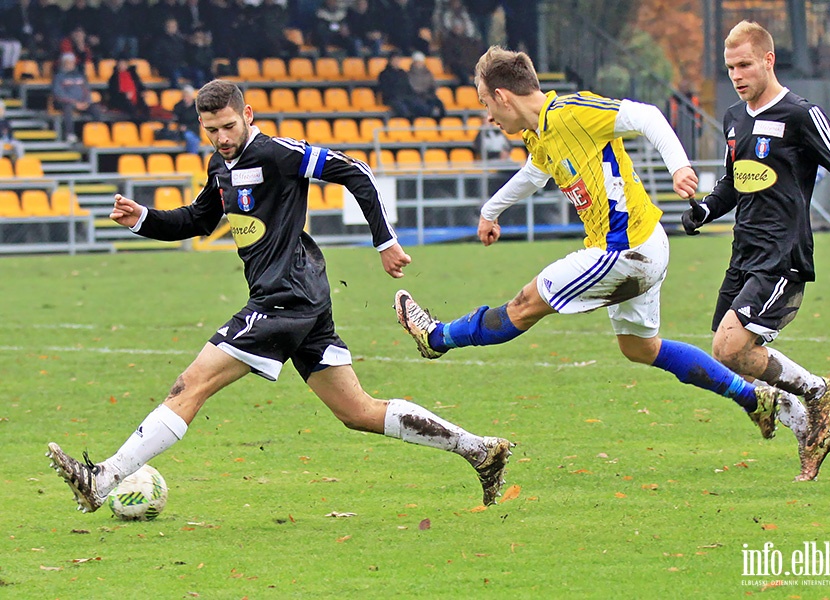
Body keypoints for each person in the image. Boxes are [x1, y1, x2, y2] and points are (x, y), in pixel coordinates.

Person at [46, 79, 513, 514]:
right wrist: (142, 218)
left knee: (192, 384)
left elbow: (357, 171)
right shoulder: (221, 166)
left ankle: (102, 479)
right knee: (357, 411)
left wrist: (385, 242)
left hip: (284, 297)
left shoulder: (277, 154)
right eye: (212, 130)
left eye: (229, 125)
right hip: (300, 297)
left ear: (247, 113)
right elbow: (197, 220)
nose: (223, 137)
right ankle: (480, 450)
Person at [394, 45, 819, 481]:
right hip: (641, 246)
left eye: (485, 103)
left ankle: (436, 337)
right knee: (640, 348)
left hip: (623, 251)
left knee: (523, 306)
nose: (487, 116)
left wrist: (679, 167)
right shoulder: (537, 132)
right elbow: (537, 172)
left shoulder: (572, 112)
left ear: (503, 96)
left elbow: (648, 116)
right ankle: (755, 400)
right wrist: (491, 210)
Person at [682, 21, 830, 475]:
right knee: (728, 355)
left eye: (745, 64)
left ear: (768, 60)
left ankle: (815, 391)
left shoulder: (801, 114)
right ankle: (809, 432)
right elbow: (735, 181)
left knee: (734, 344)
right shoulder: (735, 117)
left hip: (783, 251)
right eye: (730, 67)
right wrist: (706, 210)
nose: (736, 75)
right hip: (744, 251)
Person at [51, 52, 102, 143]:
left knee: (96, 109)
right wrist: (75, 103)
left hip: (82, 102)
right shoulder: (58, 77)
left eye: (71, 62)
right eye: (68, 62)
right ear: (63, 63)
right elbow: (59, 94)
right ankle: (70, 134)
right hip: (65, 103)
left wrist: (86, 102)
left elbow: (86, 90)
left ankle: (96, 133)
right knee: (67, 108)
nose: (70, 64)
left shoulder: (80, 76)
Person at [377, 52, 431, 119]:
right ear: (390, 61)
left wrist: (413, 96)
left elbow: (408, 87)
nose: (396, 62)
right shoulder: (383, 74)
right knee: (404, 110)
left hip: (406, 97)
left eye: (398, 60)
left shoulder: (402, 73)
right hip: (392, 98)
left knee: (423, 108)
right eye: (394, 60)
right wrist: (396, 95)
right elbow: (385, 90)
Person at [408, 51, 445, 118]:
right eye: (417, 62)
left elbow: (433, 85)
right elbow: (412, 87)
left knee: (440, 105)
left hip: (429, 95)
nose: (419, 64)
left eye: (420, 62)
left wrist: (431, 91)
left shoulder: (428, 73)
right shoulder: (410, 74)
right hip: (418, 96)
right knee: (425, 108)